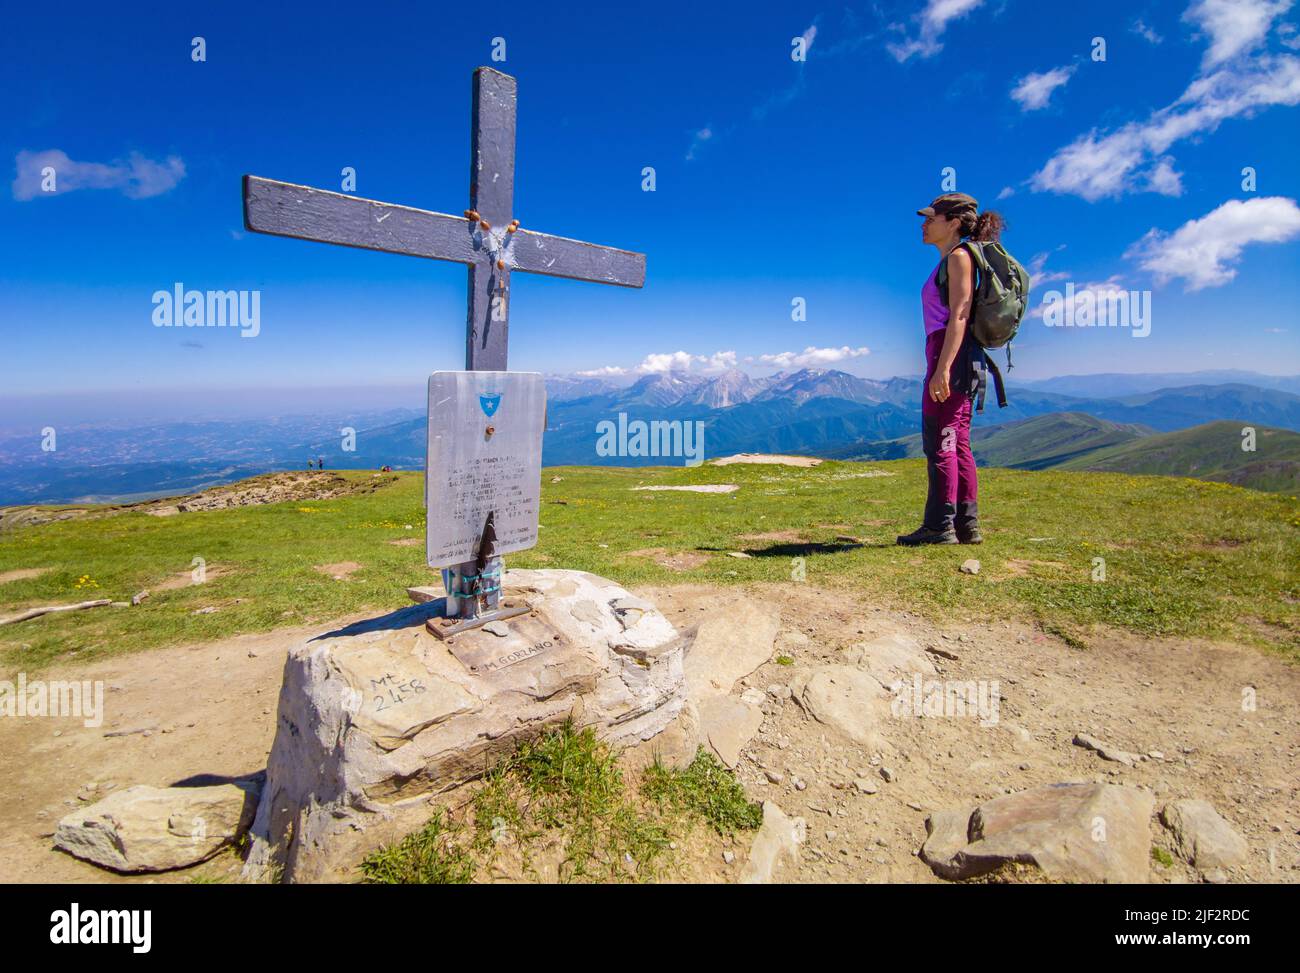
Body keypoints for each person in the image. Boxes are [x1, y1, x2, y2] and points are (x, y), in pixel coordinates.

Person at [896, 192, 1004, 546]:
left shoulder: (959, 258)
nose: (924, 224)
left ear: (954, 222)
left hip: (949, 353)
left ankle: (939, 526)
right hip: (955, 355)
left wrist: (942, 369)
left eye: (931, 218)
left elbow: (959, 314)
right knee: (956, 441)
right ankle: (965, 526)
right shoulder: (956, 259)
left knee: (940, 439)